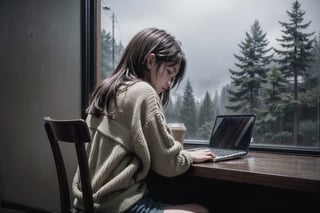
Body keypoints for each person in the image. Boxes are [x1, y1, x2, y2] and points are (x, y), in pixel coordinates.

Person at [72, 27, 215, 213]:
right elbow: (168, 165)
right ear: (150, 60)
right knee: (201, 210)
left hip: (87, 204)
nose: (169, 83)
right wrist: (189, 156)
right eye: (169, 73)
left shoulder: (107, 90)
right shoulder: (143, 92)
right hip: (118, 205)